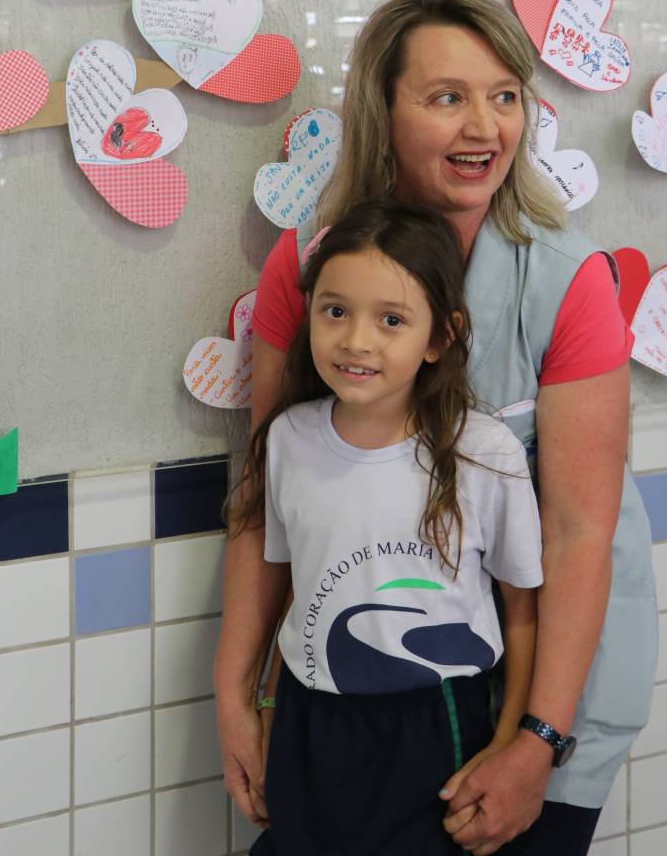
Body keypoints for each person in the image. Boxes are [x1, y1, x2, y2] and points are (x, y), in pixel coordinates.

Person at [216, 0, 657, 856]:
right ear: (382, 109)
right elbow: (269, 494)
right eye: (448, 97)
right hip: (363, 699)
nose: (484, 128)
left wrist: (538, 740)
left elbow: (578, 533)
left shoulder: (566, 280)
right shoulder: (310, 269)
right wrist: (237, 695)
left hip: (552, 669)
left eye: (505, 97)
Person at [223, 199, 542, 855]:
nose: (356, 341)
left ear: (440, 337)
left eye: (391, 319)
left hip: (435, 725)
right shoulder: (288, 439)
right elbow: (300, 591)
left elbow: (522, 610)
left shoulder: (484, 453)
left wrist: (513, 737)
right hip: (310, 718)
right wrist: (265, 704)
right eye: (335, 311)